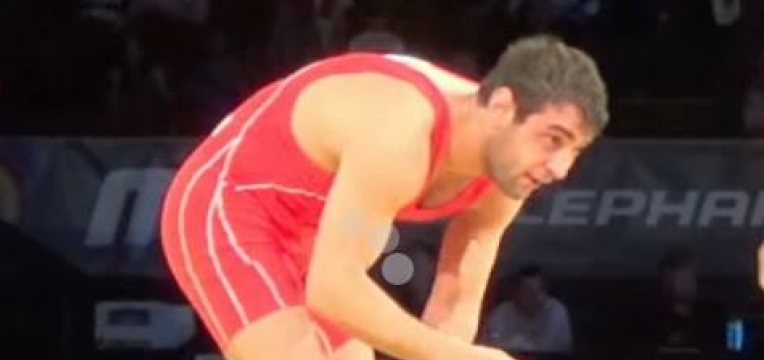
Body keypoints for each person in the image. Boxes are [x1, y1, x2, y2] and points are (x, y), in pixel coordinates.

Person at [159, 34, 609, 360]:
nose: (559, 169)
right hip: (232, 202)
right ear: (502, 107)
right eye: (554, 140)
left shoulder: (509, 170)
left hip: (315, 226)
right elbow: (333, 291)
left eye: (575, 150)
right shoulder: (403, 129)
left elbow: (456, 301)